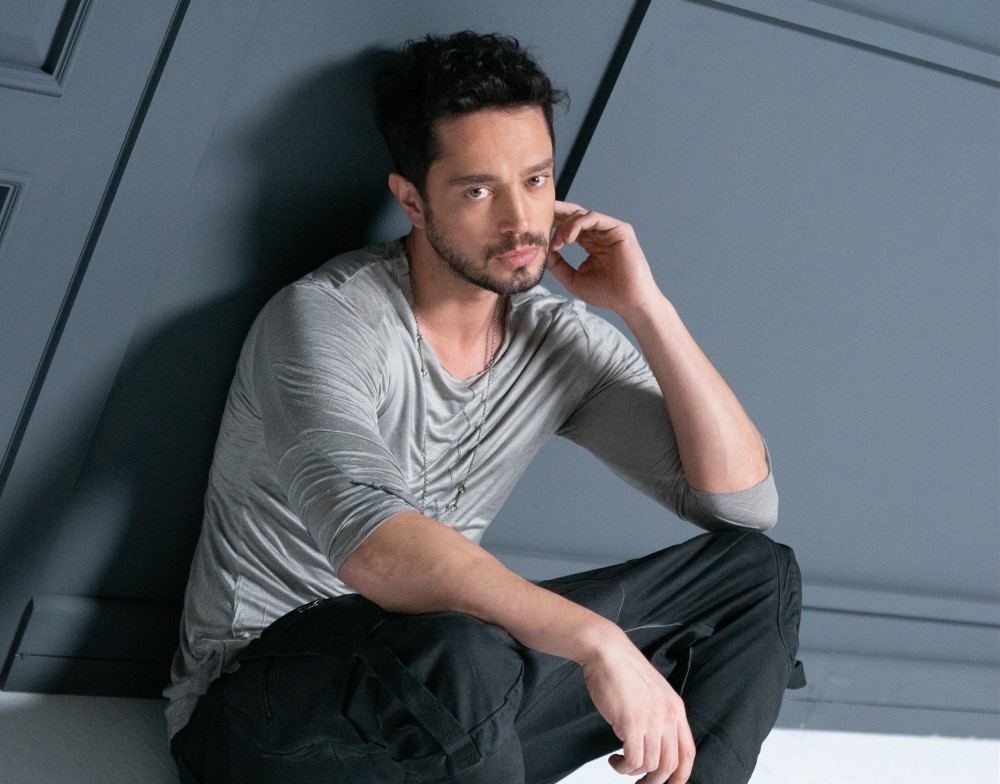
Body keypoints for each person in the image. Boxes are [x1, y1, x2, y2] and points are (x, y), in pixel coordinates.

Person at [166, 30, 804, 784]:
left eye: (535, 180)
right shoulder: (326, 319)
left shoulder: (555, 339)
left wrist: (646, 307)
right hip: (262, 712)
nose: (520, 220)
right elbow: (374, 545)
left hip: (450, 708)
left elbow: (743, 505)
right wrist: (594, 641)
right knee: (459, 650)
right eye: (479, 190)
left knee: (756, 575)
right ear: (412, 199)